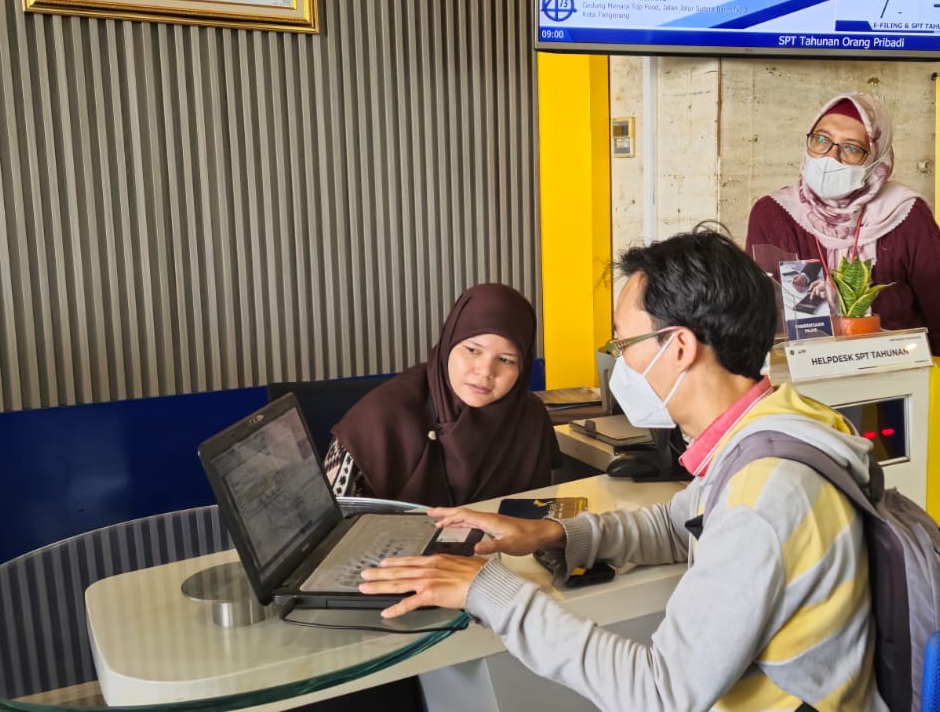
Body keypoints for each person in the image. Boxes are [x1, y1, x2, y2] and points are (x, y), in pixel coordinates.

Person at [358, 230, 885, 712]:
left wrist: (488, 591)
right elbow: (679, 523)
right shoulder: (781, 425)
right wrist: (556, 532)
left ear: (678, 348)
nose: (618, 364)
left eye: (623, 344)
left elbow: (660, 693)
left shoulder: (765, 492)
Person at [746, 92, 940, 418]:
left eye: (852, 148)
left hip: (899, 395)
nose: (831, 156)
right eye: (822, 140)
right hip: (804, 398)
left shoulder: (906, 214)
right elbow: (758, 322)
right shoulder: (775, 214)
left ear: (876, 157)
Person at [323, 283, 556, 507]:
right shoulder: (378, 420)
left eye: (506, 360)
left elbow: (538, 517)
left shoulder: (529, 419)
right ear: (449, 344)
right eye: (473, 350)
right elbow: (333, 529)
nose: (485, 372)